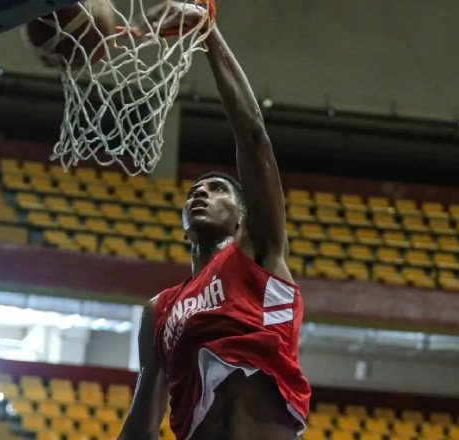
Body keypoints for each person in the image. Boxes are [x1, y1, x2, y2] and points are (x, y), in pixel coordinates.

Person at [118, 3, 311, 439]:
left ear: (245, 217)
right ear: (184, 224)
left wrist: (208, 34)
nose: (201, 192)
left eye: (218, 189)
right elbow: (143, 422)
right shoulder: (160, 309)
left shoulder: (259, 254)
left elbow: (253, 135)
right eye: (193, 192)